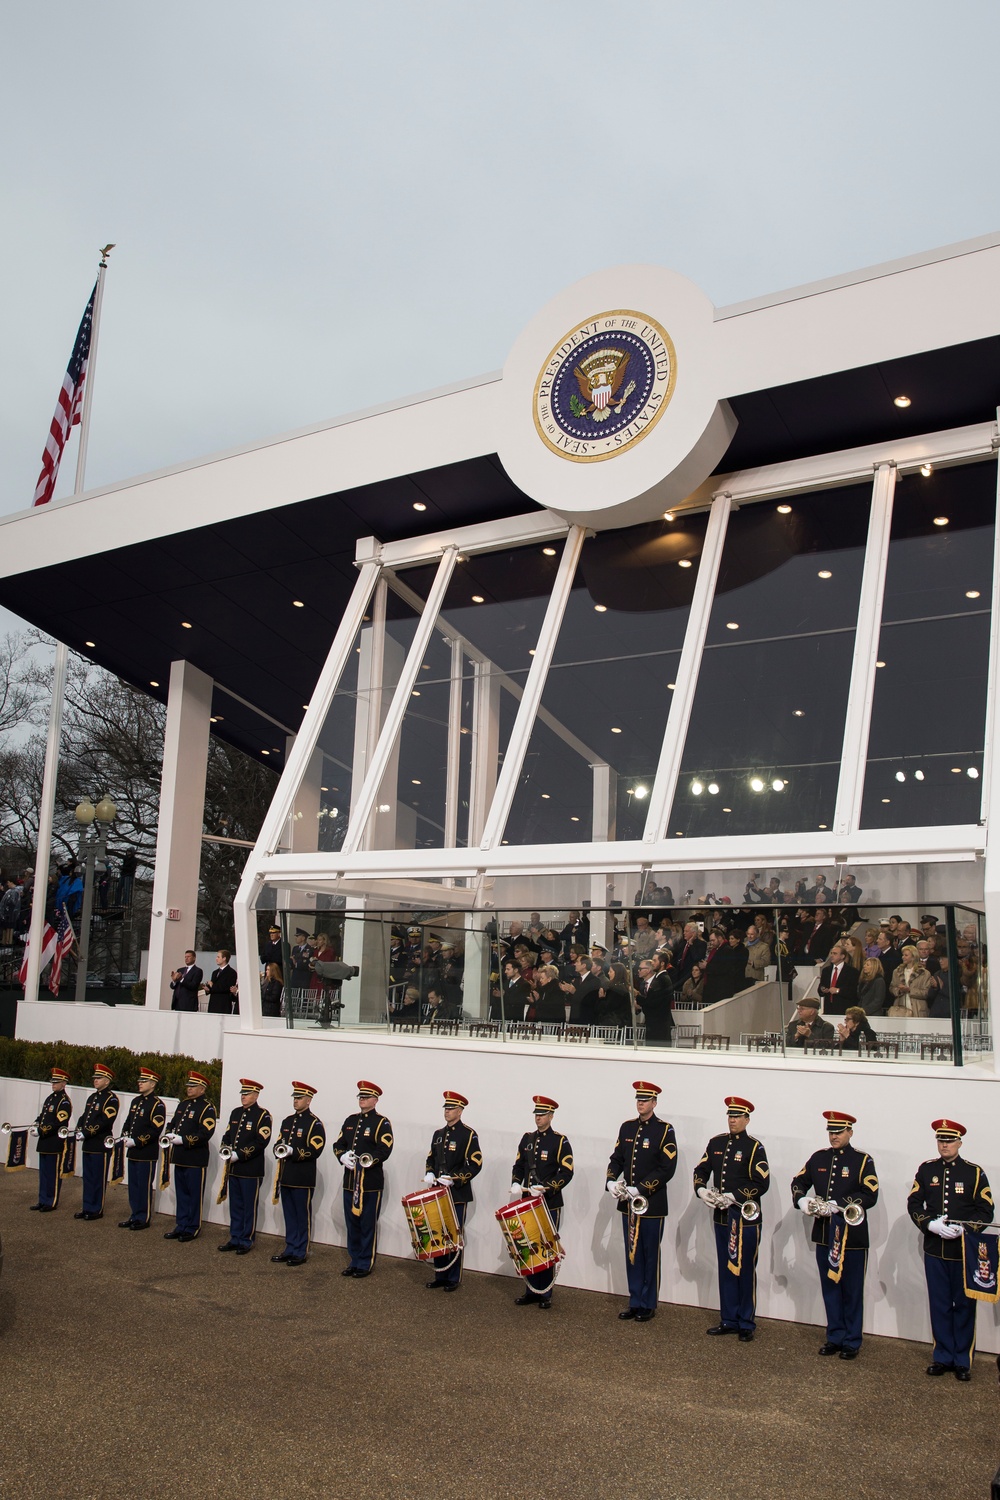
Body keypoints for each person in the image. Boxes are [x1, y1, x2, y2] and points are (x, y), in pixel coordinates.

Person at [908, 1119, 994, 1381]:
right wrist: (930, 1225)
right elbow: (913, 1203)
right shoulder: (926, 1170)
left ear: (959, 1142)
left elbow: (986, 1209)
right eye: (940, 1140)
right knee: (940, 1304)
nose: (944, 1144)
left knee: (965, 1306)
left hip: (964, 1252)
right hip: (935, 1249)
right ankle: (942, 1356)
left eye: (949, 1140)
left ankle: (962, 1360)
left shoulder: (974, 1172)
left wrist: (967, 1229)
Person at [790, 1110, 880, 1360]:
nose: (834, 1136)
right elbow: (798, 1181)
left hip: (852, 1237)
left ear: (850, 1132)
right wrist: (802, 1200)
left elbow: (870, 1194)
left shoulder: (863, 1161)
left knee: (852, 1290)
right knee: (830, 1287)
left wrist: (839, 1204)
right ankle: (835, 1336)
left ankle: (852, 1340)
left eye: (839, 1132)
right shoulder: (818, 1158)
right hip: (825, 1234)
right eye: (831, 1132)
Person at [693, 1097, 770, 1341]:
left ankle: (746, 1322)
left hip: (745, 1217)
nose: (733, 1120)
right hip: (723, 1216)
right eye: (730, 1116)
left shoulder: (754, 1147)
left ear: (747, 1119)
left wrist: (734, 1196)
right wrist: (701, 1189)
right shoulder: (716, 1143)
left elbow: (761, 1182)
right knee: (726, 1268)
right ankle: (728, 1318)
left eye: (738, 1116)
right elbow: (701, 1170)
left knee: (745, 1269)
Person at [606, 1081, 678, 1323]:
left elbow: (667, 1168)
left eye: (645, 1100)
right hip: (628, 1202)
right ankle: (635, 1300)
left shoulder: (664, 1130)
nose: (641, 1103)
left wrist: (642, 1188)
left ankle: (648, 1303)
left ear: (654, 1103)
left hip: (652, 1204)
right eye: (638, 1099)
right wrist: (611, 1181)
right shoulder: (626, 1128)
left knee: (649, 1254)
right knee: (632, 1253)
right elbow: (617, 1158)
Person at [510, 1095, 574, 1309]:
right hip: (528, 1201)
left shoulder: (559, 1141)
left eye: (542, 1114)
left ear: (551, 1116)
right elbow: (518, 1165)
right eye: (536, 1114)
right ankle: (530, 1290)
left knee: (546, 1245)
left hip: (548, 1202)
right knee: (528, 1244)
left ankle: (545, 1292)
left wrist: (548, 1187)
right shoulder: (527, 1139)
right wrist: (517, 1182)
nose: (538, 1118)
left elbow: (567, 1171)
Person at [333, 1080, 394, 1278]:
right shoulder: (350, 1120)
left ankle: (365, 1262)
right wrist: (342, 1156)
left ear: (375, 1100)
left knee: (367, 1223)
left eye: (366, 1097)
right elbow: (339, 1143)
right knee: (352, 1223)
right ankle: (354, 1259)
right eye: (360, 1096)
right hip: (350, 1181)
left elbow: (385, 1149)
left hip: (369, 1183)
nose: (362, 1099)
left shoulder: (381, 1122)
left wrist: (368, 1161)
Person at [423, 1090, 482, 1291]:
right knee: (438, 1233)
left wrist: (455, 1179)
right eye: (446, 1108)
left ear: (460, 1110)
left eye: (451, 1109)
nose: (447, 1112)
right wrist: (430, 1172)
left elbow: (475, 1163)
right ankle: (440, 1274)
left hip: (456, 1193)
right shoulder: (438, 1135)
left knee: (454, 1234)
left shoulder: (468, 1134)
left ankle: (453, 1277)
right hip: (438, 1192)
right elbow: (431, 1158)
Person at [271, 1082, 326, 1267]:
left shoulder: (314, 1123)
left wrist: (293, 1151)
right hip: (287, 1176)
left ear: (309, 1100)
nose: (296, 1101)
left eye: (299, 1098)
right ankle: (290, 1248)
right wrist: (279, 1149)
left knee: (302, 1216)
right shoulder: (287, 1121)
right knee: (289, 1215)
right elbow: (278, 1142)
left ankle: (301, 1251)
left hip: (302, 1177)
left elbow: (315, 1149)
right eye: (294, 1098)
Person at [217, 1078, 272, 1254]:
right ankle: (235, 1237)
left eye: (247, 1094)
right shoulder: (235, 1113)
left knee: (249, 1206)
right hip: (234, 1168)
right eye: (242, 1093)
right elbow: (227, 1134)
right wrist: (225, 1148)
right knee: (236, 1205)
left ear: (256, 1095)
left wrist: (239, 1154)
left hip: (250, 1169)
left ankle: (246, 1239)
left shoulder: (263, 1116)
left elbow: (261, 1141)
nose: (243, 1096)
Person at [162, 1070, 217, 1242]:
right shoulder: (183, 1105)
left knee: (194, 1195)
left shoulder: (207, 1108)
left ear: (202, 1089)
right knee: (182, 1193)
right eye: (189, 1086)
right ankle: (181, 1224)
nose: (189, 1088)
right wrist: (169, 1133)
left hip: (195, 1158)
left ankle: (192, 1227)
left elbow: (206, 1132)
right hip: (180, 1156)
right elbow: (172, 1123)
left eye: (193, 1086)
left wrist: (184, 1140)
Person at [116, 1066, 167, 1230]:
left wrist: (137, 1141)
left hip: (146, 1152)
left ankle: (143, 1218)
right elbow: (129, 1121)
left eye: (143, 1081)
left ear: (152, 1084)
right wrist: (125, 1134)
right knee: (133, 1186)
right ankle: (134, 1214)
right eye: (140, 1080)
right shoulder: (136, 1102)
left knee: (144, 1186)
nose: (140, 1083)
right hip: (133, 1151)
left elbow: (155, 1129)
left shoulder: (157, 1105)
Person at [73, 1063, 120, 1221]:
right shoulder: (92, 1097)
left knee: (97, 1178)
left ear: (107, 1081)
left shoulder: (111, 1099)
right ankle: (87, 1206)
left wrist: (86, 1132)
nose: (95, 1080)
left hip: (99, 1143)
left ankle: (96, 1208)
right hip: (88, 1143)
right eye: (95, 1078)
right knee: (87, 1178)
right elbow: (84, 1116)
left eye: (99, 1078)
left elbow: (105, 1121)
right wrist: (79, 1128)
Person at [31, 1065, 73, 1212]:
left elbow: (59, 1123)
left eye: (56, 1082)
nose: (53, 1084)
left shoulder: (64, 1101)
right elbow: (43, 1115)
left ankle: (51, 1200)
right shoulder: (51, 1098)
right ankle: (42, 1199)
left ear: (64, 1083)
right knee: (43, 1173)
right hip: (44, 1141)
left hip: (54, 1141)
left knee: (53, 1174)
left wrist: (41, 1130)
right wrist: (37, 1122)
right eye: (53, 1081)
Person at [637, 957, 674, 1045]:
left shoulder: (661, 981)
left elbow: (653, 1002)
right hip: (649, 1022)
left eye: (640, 969)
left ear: (648, 970)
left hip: (661, 1023)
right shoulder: (642, 984)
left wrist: (637, 997)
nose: (638, 971)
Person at [818, 943, 859, 1016]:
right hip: (828, 1009)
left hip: (844, 1009)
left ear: (842, 956)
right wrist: (822, 989)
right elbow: (821, 987)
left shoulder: (852, 971)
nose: (832, 955)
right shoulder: (826, 971)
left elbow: (853, 991)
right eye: (831, 953)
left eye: (835, 953)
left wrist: (838, 990)